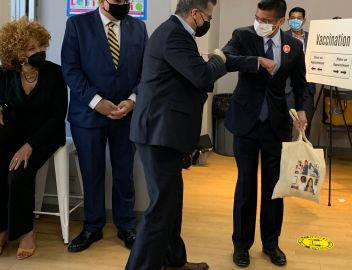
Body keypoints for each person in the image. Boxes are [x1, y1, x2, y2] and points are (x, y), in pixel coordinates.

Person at [126, 0, 226, 269]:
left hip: (165, 132)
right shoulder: (174, 35)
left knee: (172, 203)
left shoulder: (175, 33)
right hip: (157, 133)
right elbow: (202, 77)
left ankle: (173, 261)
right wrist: (219, 59)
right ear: (195, 14)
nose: (207, 21)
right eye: (208, 16)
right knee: (160, 210)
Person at [222, 0, 309, 267]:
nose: (261, 23)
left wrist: (303, 110)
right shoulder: (243, 35)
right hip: (246, 122)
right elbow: (226, 59)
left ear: (281, 22)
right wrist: (256, 61)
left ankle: (271, 244)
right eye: (258, 17)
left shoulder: (293, 46)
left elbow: (301, 85)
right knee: (246, 185)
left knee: (274, 188)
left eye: (267, 20)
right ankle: (241, 245)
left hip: (276, 124)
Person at [61, 0, 148, 252]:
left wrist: (133, 100)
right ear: (101, 1)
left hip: (126, 114)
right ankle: (92, 227)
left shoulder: (139, 29)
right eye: (117, 0)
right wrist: (96, 101)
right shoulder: (77, 25)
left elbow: (146, 71)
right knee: (92, 172)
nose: (123, 4)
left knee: (124, 173)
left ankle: (126, 226)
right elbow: (71, 69)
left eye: (126, 1)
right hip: (88, 115)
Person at [0, 17, 67, 260]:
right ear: (16, 53)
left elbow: (57, 117)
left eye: (40, 46)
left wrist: (29, 146)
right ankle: (3, 228)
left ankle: (26, 231)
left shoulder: (55, 74)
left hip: (45, 135)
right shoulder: (7, 74)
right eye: (31, 48)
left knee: (19, 174)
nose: (39, 51)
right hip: (15, 135)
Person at [285, 6, 315, 138]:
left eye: (298, 18)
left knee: (305, 126)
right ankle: (284, 157)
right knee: (286, 126)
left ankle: (303, 158)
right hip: (287, 88)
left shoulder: (313, 38)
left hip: (307, 88)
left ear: (304, 20)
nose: (295, 21)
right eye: (292, 18)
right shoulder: (282, 37)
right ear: (288, 20)